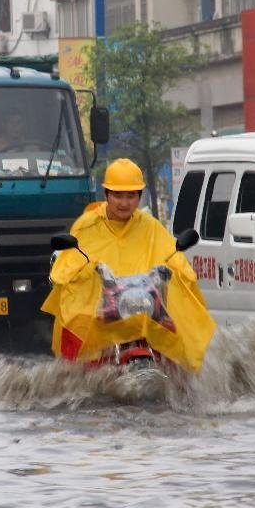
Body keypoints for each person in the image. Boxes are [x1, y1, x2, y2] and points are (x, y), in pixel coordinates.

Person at [41, 158, 215, 372]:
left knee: (178, 334)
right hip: (101, 307)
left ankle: (182, 379)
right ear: (106, 194)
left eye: (131, 196)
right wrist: (84, 274)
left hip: (142, 305)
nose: (124, 203)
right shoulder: (86, 226)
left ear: (140, 197)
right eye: (118, 195)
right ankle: (78, 374)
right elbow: (67, 265)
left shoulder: (150, 227)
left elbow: (171, 255)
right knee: (77, 328)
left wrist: (180, 272)